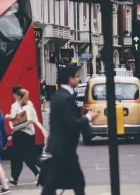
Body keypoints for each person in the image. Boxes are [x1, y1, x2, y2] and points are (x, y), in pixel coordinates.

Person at [41, 65, 94, 195]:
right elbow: (72, 124)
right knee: (77, 182)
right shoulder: (66, 98)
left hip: (58, 147)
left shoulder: (57, 95)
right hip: (65, 148)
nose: (78, 79)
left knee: (52, 184)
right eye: (76, 76)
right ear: (70, 79)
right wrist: (88, 117)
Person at [6, 87, 47, 186]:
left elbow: (13, 118)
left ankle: (39, 174)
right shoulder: (30, 105)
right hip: (30, 134)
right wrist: (42, 130)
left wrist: (8, 118)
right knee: (22, 156)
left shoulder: (15, 106)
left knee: (23, 157)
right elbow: (35, 119)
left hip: (20, 134)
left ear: (16, 95)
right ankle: (15, 177)